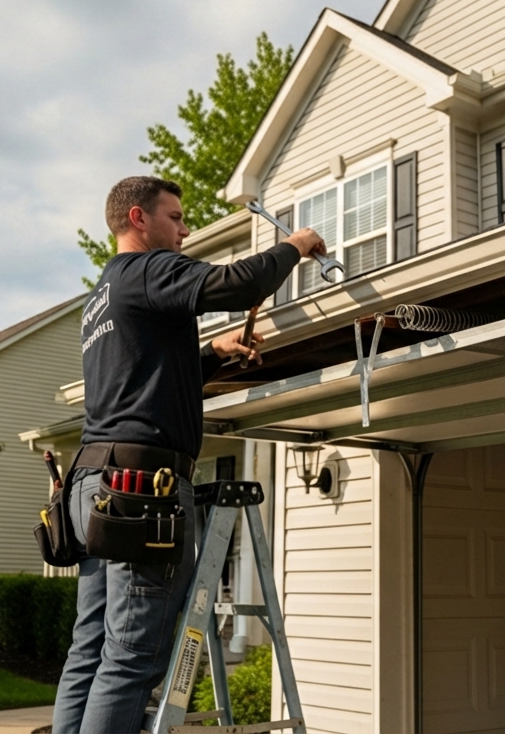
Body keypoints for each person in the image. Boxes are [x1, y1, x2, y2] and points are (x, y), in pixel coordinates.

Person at [52, 175, 325, 734]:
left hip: (93, 482)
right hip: (139, 488)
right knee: (132, 656)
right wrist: (295, 245)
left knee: (91, 647)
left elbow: (145, 383)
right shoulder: (147, 268)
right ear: (138, 219)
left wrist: (215, 353)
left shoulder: (104, 295)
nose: (184, 230)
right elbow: (238, 284)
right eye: (174, 217)